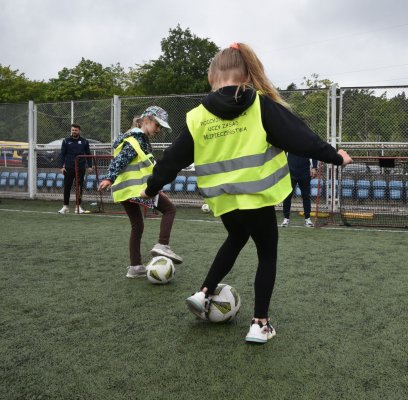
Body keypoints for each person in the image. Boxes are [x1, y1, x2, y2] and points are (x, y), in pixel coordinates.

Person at [141, 42, 352, 344]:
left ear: (213, 75)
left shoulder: (197, 116)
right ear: (247, 73)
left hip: (224, 200)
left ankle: (203, 293)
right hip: (257, 196)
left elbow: (172, 160)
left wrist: (151, 187)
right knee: (267, 254)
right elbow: (301, 139)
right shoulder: (260, 105)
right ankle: (260, 324)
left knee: (236, 237)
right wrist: (337, 157)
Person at [98, 106, 183, 279]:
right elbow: (119, 161)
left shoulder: (137, 139)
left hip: (126, 191)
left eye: (161, 127)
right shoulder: (135, 140)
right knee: (170, 209)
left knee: (137, 225)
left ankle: (135, 267)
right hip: (137, 190)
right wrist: (109, 177)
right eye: (157, 125)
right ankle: (162, 245)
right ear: (146, 120)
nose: (159, 130)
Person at [58, 124, 92, 214]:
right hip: (68, 168)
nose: (74, 132)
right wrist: (61, 166)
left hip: (80, 168)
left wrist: (90, 166)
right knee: (67, 187)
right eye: (72, 130)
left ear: (79, 131)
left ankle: (78, 207)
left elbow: (88, 154)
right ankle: (65, 206)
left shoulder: (84, 141)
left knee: (79, 187)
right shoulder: (66, 141)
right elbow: (62, 154)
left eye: (76, 130)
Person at [281, 154, 319, 227]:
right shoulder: (289, 142)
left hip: (304, 172)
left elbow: (314, 151)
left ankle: (307, 219)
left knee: (306, 196)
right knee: (287, 195)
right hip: (290, 172)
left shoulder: (308, 142)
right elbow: (281, 153)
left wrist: (314, 167)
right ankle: (286, 218)